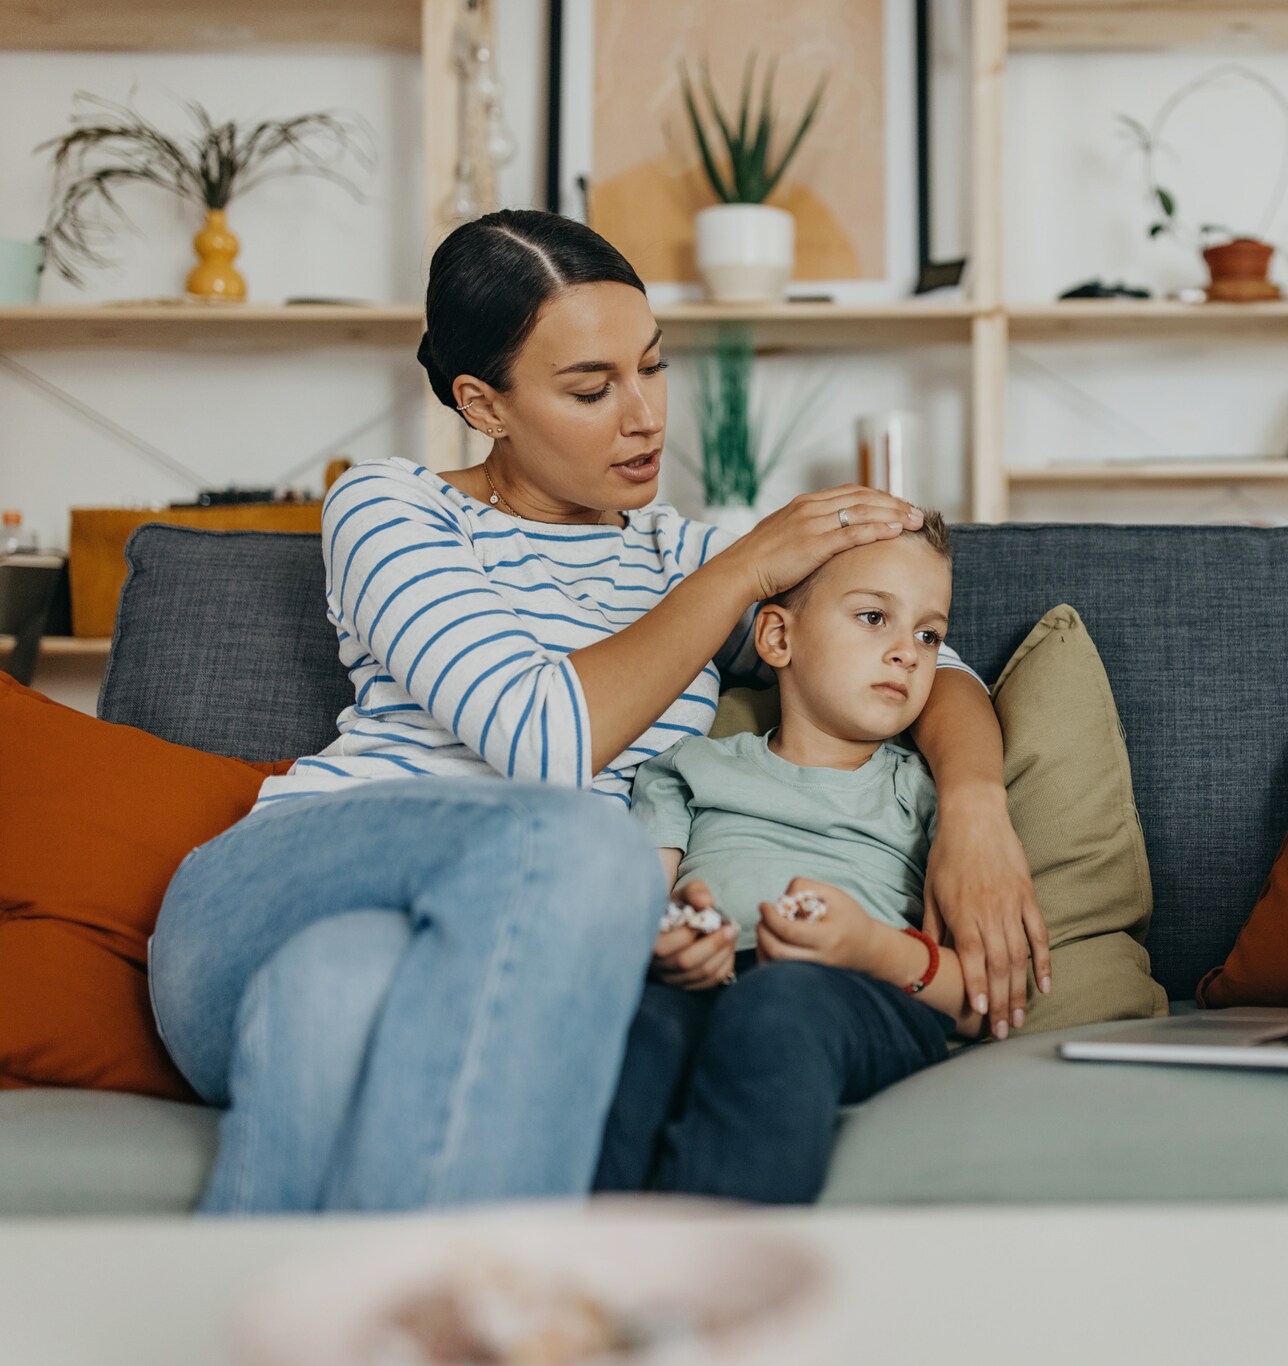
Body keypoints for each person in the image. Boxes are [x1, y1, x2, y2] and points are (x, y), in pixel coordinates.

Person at [145, 209, 1048, 1215]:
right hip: (273, 900)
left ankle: (331, 1293)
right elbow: (544, 745)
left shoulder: (677, 559)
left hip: (457, 959)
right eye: (591, 388)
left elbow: (929, 668)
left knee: (336, 989)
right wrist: (744, 566)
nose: (645, 416)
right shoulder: (392, 507)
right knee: (576, 837)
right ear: (483, 403)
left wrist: (975, 809)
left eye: (652, 367)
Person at [599, 511, 980, 1203]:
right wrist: (671, 942)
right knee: (638, 1029)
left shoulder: (926, 795)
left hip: (858, 997)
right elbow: (634, 924)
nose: (908, 652)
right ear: (778, 637)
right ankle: (597, 1252)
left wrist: (868, 946)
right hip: (702, 988)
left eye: (929, 635)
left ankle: (729, 1251)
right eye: (874, 618)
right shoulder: (687, 770)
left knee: (776, 1007)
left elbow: (979, 1004)